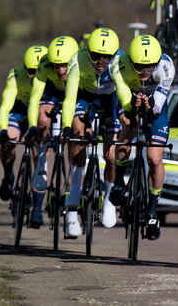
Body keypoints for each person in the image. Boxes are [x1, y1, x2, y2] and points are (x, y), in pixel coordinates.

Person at [108, 34, 176, 241]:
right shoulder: (117, 65)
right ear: (130, 62)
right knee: (128, 125)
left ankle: (153, 211)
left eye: (149, 68)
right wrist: (134, 105)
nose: (145, 72)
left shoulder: (166, 67)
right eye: (139, 67)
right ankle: (119, 180)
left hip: (155, 101)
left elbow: (157, 108)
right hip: (128, 96)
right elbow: (123, 99)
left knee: (154, 159)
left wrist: (149, 106)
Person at [59, 27, 124, 236]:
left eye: (106, 57)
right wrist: (67, 126)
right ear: (88, 52)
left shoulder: (120, 62)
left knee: (111, 155)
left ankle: (108, 200)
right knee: (79, 136)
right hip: (84, 97)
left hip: (111, 100)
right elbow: (69, 97)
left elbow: (123, 91)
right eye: (95, 55)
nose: (100, 61)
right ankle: (76, 189)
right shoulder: (77, 60)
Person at [25, 35, 79, 228]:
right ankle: (41, 161)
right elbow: (34, 98)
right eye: (56, 66)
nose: (60, 70)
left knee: (78, 132)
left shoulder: (79, 63)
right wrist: (33, 127)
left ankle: (74, 193)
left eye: (64, 65)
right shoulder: (45, 65)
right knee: (42, 118)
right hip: (53, 91)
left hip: (76, 92)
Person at [0, 45, 47, 202]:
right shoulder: (15, 74)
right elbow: (5, 106)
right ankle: (8, 175)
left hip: (40, 110)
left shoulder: (52, 76)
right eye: (31, 71)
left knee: (38, 153)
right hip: (20, 110)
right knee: (8, 142)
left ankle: (35, 194)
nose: (35, 76)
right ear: (24, 68)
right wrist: (3, 131)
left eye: (38, 72)